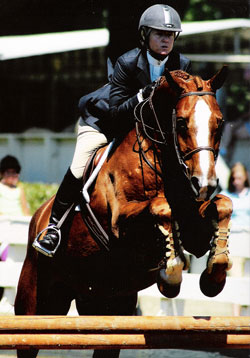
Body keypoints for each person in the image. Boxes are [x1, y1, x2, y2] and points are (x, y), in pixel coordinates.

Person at [33, 4, 192, 257]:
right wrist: (143, 94)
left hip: (146, 131)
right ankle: (54, 228)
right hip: (103, 121)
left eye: (170, 35)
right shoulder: (127, 62)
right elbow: (117, 113)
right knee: (79, 166)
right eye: (159, 33)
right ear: (145, 36)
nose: (165, 39)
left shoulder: (181, 63)